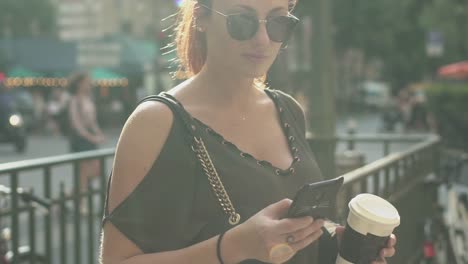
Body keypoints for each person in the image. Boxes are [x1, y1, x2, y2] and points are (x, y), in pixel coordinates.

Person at [100, 0, 397, 263]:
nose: (263, 39)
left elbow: (284, 240)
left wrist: (335, 245)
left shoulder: (287, 110)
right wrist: (233, 247)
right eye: (242, 21)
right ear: (202, 17)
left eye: (279, 22)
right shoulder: (156, 122)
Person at [67, 72, 105, 205]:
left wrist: (98, 133)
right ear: (79, 83)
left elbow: (92, 121)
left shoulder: (88, 98)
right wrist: (91, 137)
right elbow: (76, 123)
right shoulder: (74, 100)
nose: (89, 84)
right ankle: (82, 204)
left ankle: (64, 200)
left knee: (95, 171)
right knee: (83, 173)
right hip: (80, 140)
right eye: (86, 82)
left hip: (89, 138)